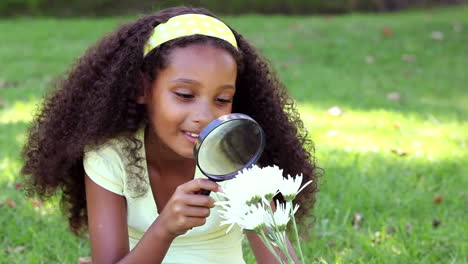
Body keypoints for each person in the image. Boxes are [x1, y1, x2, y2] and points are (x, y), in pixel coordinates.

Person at [21, 6, 320, 264]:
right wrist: (164, 228)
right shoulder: (110, 156)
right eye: (185, 94)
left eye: (221, 99)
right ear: (142, 89)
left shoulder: (234, 155)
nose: (205, 116)